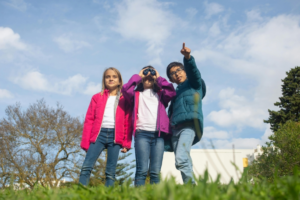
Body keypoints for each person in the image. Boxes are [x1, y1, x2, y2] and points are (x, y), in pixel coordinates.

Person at [122, 66, 176, 186]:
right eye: (146, 73)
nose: (148, 76)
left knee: (155, 172)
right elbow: (125, 90)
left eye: (152, 73)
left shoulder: (161, 95)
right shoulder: (136, 94)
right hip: (142, 134)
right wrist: (138, 76)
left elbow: (171, 92)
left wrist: (159, 78)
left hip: (158, 135)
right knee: (141, 170)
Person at [79, 67, 132, 187]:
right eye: (108, 77)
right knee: (86, 167)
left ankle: (109, 195)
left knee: (110, 172)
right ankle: (80, 193)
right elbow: (89, 120)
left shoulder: (125, 99)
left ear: (119, 80)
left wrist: (126, 143)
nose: (111, 79)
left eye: (114, 77)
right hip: (98, 135)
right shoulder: (97, 97)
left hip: (115, 136)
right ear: (104, 80)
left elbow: (128, 122)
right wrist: (85, 142)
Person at [165, 43, 206, 184]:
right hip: (175, 130)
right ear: (171, 79)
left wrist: (188, 58)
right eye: (173, 73)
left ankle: (191, 186)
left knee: (181, 158)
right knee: (183, 160)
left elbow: (194, 72)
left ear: (185, 71)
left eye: (179, 70)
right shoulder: (174, 94)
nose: (177, 73)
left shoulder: (194, 84)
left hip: (189, 127)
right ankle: (190, 188)